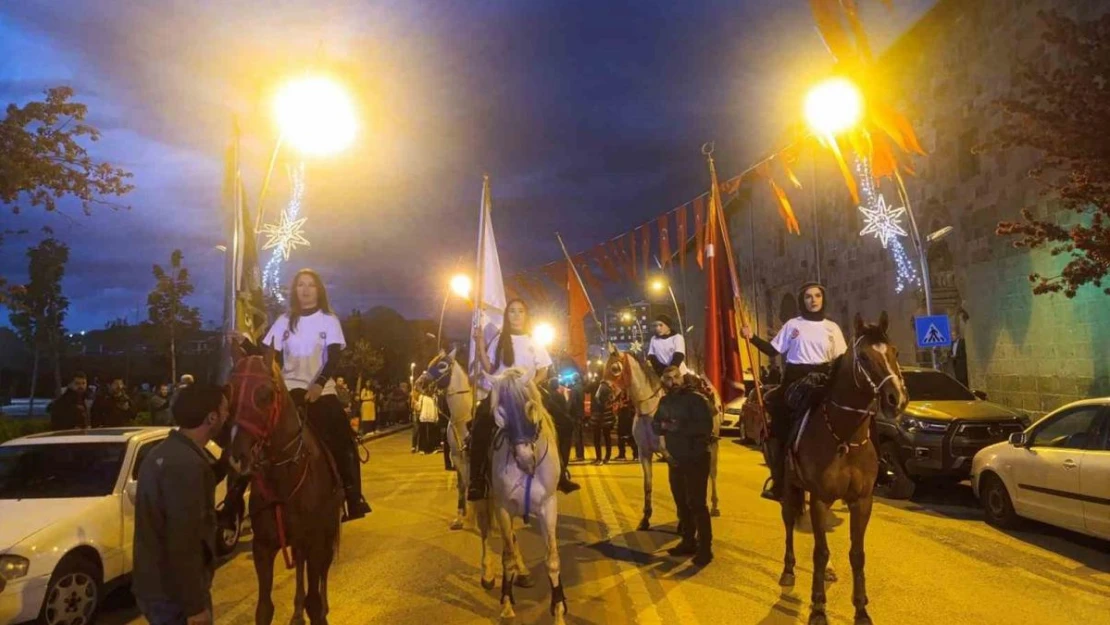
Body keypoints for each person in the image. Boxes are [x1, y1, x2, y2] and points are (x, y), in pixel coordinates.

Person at [253, 269, 370, 521]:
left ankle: (353, 497)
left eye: (311, 285)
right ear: (294, 290)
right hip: (289, 392)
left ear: (319, 290)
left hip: (320, 392)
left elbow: (334, 357)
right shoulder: (284, 320)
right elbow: (265, 354)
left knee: (344, 441)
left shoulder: (329, 320)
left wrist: (318, 383)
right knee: (254, 435)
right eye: (300, 285)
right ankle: (238, 505)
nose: (305, 289)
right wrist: (241, 343)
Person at [132, 384, 230, 625]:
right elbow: (184, 541)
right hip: (175, 596)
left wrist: (224, 465)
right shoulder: (186, 466)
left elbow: (186, 495)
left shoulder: (167, 452)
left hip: (158, 587)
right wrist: (194, 606)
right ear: (212, 417)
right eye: (226, 410)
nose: (228, 416)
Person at [741, 282, 848, 501]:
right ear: (803, 301)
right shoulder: (793, 325)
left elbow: (841, 359)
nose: (813, 300)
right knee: (779, 426)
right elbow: (773, 349)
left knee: (856, 413)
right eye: (808, 296)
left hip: (825, 378)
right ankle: (780, 479)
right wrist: (751, 337)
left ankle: (869, 470)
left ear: (823, 299)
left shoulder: (832, 328)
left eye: (818, 295)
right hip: (796, 380)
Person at [468, 298, 577, 500]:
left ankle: (561, 473)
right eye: (512, 311)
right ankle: (476, 480)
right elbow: (490, 368)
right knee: (479, 425)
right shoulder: (499, 340)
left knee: (566, 423)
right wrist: (480, 344)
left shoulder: (533, 341)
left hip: (529, 392)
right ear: (506, 316)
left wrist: (531, 385)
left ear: (526, 316)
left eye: (520, 311)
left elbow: (543, 370)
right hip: (502, 393)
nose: (516, 315)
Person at [653, 368, 716, 567]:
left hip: (696, 457)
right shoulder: (665, 401)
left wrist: (673, 426)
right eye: (668, 379)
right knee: (681, 503)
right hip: (675, 459)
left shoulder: (696, 399)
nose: (673, 382)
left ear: (682, 378)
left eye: (676, 377)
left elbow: (704, 427)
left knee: (697, 503)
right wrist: (669, 425)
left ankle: (705, 548)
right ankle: (688, 541)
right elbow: (655, 425)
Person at [543, 378, 582, 493]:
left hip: (557, 427)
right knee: (563, 453)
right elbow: (565, 409)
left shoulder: (548, 395)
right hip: (562, 427)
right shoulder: (556, 396)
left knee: (558, 452)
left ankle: (560, 476)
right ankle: (561, 477)